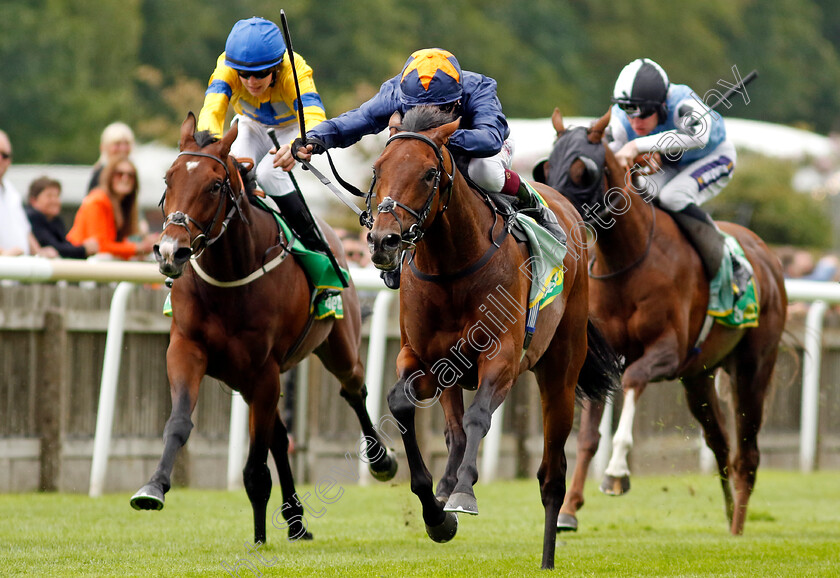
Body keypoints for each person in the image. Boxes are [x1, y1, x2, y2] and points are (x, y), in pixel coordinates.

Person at [284, 47, 565, 243]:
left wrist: (440, 138)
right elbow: (357, 120)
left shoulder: (477, 88)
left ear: (456, 100)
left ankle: (534, 204)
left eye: (436, 108)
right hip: (424, 154)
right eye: (420, 108)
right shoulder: (396, 91)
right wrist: (316, 138)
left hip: (478, 149)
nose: (427, 113)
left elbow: (490, 138)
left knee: (484, 173)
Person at [606, 58, 750, 295]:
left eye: (643, 113)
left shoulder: (682, 101)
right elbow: (613, 158)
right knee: (644, 197)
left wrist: (637, 147)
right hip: (674, 166)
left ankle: (733, 260)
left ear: (662, 104)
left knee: (674, 197)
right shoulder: (621, 119)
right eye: (628, 111)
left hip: (713, 157)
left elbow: (699, 137)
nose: (635, 121)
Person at [197, 16, 329, 253]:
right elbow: (212, 109)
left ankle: (314, 244)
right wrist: (207, 147)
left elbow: (314, 117)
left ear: (276, 66)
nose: (251, 81)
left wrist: (297, 145)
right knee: (232, 170)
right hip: (251, 125)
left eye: (259, 74)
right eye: (243, 74)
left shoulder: (294, 69)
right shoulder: (226, 66)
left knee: (269, 174)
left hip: (291, 129)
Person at [67, 156, 157, 260]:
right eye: (119, 174)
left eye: (130, 175)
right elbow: (99, 246)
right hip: (77, 259)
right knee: (104, 258)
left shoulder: (124, 205)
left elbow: (117, 244)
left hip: (94, 261)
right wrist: (137, 248)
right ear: (109, 176)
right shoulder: (97, 200)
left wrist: (146, 243)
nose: (125, 178)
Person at [0, 130, 58, 257]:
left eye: (4, 155)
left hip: (17, 271)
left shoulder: (11, 191)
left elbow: (24, 230)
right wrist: (4, 254)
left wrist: (39, 252)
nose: (0, 159)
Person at [26, 176, 98, 259]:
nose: (55, 200)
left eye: (57, 196)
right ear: (33, 200)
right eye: (49, 196)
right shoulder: (33, 218)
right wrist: (84, 249)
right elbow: (55, 248)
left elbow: (64, 245)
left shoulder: (55, 220)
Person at [88, 122, 135, 193]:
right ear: (104, 147)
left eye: (126, 144)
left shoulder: (131, 172)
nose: (123, 148)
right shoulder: (100, 173)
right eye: (117, 144)